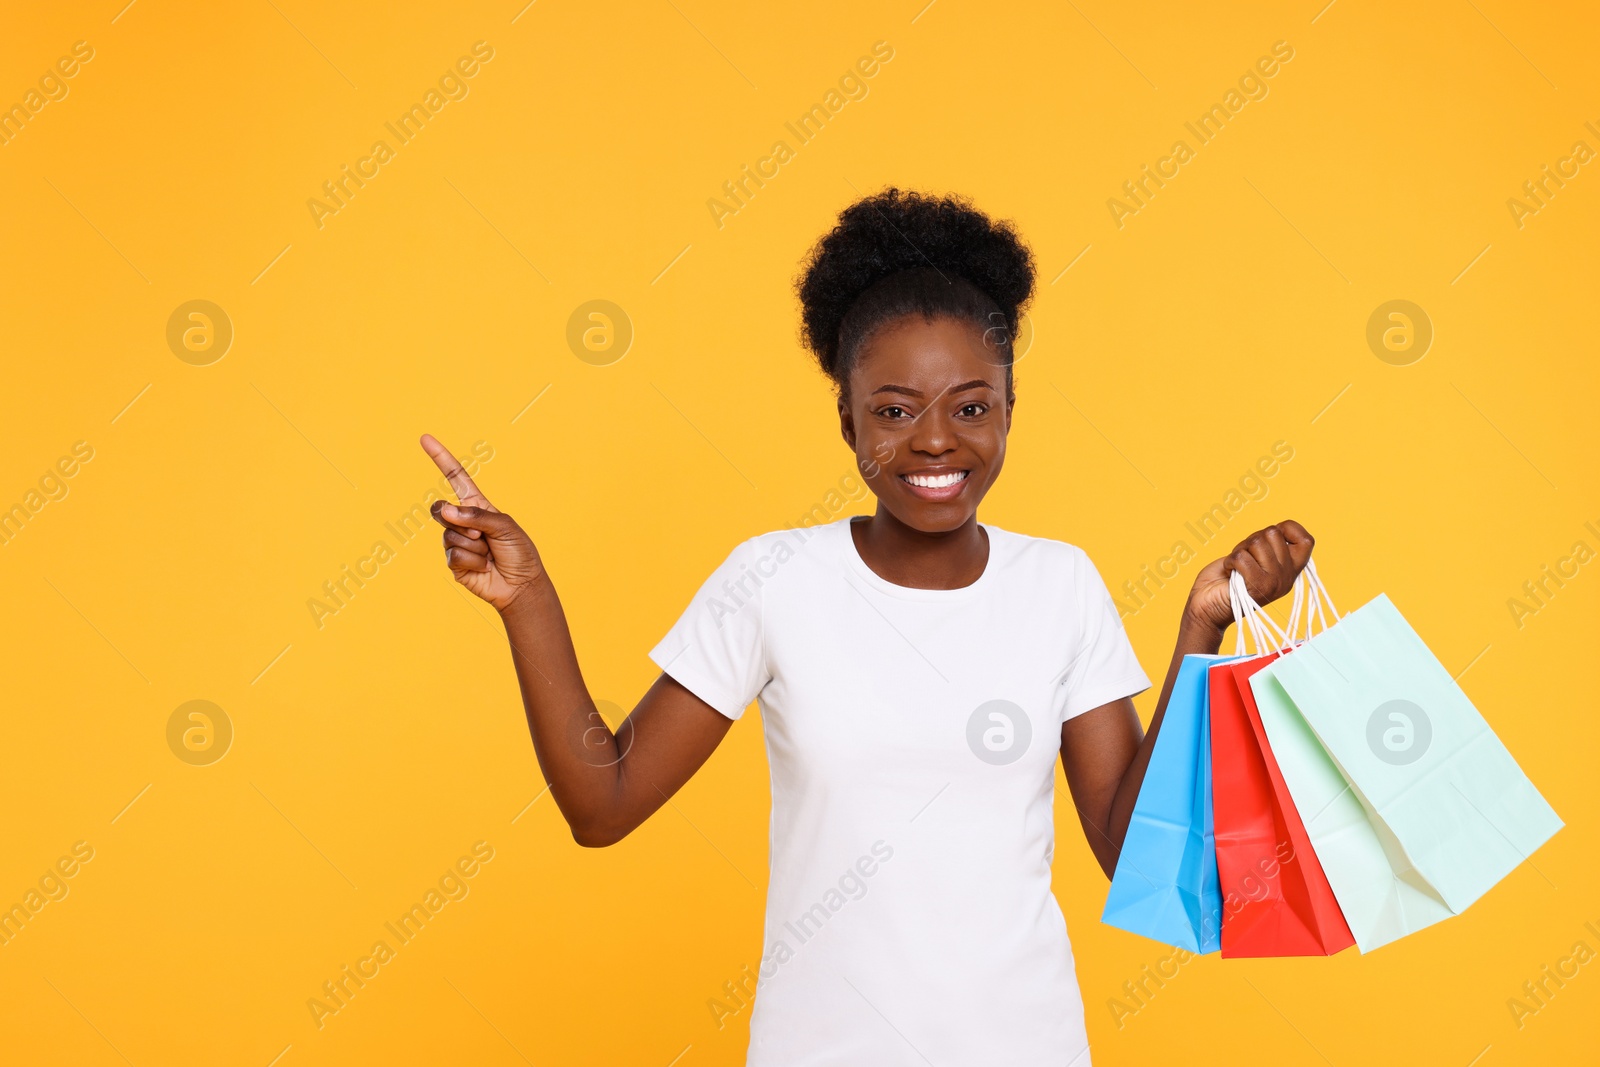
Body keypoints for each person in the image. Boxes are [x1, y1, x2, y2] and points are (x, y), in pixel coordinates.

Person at [419, 188, 1312, 1066]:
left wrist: (1202, 628)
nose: (934, 441)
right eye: (894, 409)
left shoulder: (1061, 585)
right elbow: (602, 804)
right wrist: (527, 597)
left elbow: (1128, 850)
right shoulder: (775, 580)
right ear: (847, 418)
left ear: (1009, 412)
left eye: (971, 406)